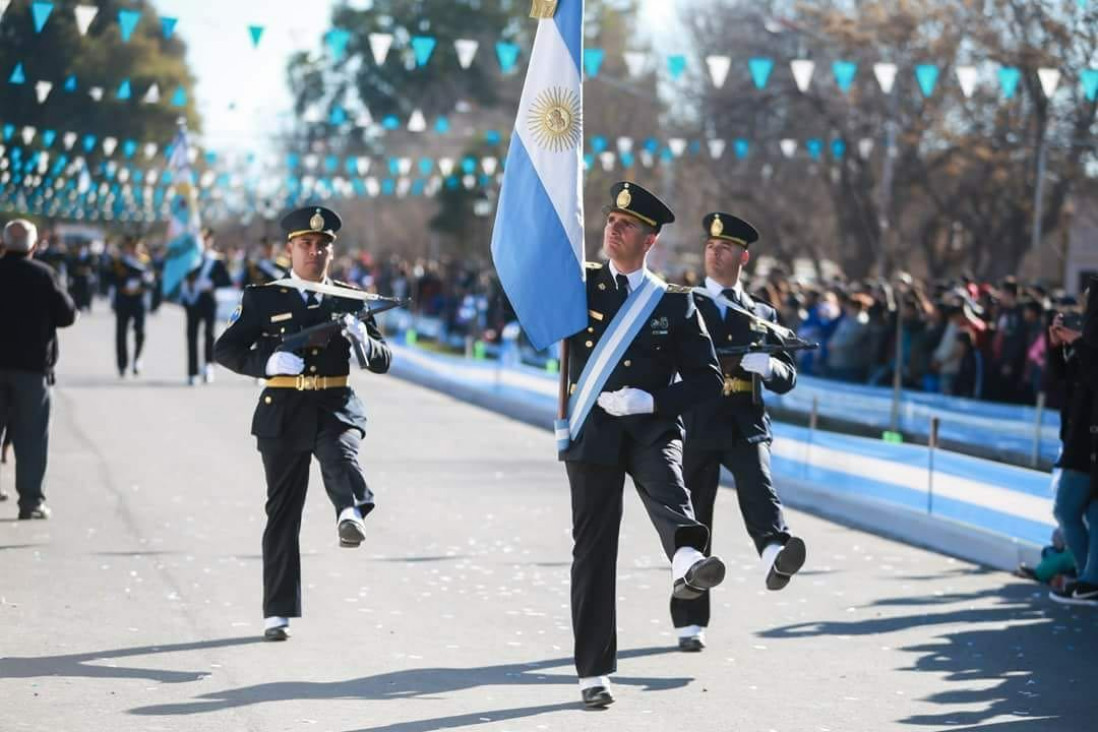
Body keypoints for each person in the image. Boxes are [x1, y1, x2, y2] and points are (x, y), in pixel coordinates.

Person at [559, 182, 726, 708]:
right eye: (611, 219)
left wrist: (652, 401)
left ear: (649, 239)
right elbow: (527, 311)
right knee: (593, 553)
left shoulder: (674, 304)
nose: (613, 228)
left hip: (651, 427)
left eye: (627, 225)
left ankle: (686, 559)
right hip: (593, 433)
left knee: (669, 488)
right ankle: (594, 672)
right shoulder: (577, 286)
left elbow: (708, 381)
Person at [214, 206, 392, 641]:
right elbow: (226, 350)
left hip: (333, 402)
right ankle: (278, 612)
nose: (314, 252)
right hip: (283, 407)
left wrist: (362, 339)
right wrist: (266, 361)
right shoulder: (264, 297)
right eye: (306, 245)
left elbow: (384, 360)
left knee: (339, 452)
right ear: (289, 249)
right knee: (282, 512)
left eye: (322, 246)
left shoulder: (350, 298)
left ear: (332, 252)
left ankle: (350, 510)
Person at [676, 212, 806, 652]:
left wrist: (768, 365)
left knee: (759, 486)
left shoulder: (762, 313)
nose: (715, 253)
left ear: (743, 257)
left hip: (745, 422)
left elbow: (789, 374)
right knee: (696, 518)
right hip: (696, 423)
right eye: (711, 246)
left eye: (725, 248)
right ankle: (690, 619)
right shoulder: (684, 304)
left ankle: (774, 552)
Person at [0, 219, 77, 519]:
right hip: (32, 369)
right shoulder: (44, 275)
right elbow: (67, 315)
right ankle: (31, 501)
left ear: (4, 244)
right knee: (31, 436)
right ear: (33, 246)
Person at [1047, 281, 1098, 606]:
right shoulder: (1087, 344)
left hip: (1087, 440)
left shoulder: (1089, 344)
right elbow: (1067, 381)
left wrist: (1079, 345)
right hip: (1080, 434)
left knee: (1067, 508)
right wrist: (1057, 347)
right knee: (1091, 512)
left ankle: (1089, 580)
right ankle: (1088, 579)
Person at [179, 233, 233, 385]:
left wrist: (212, 283)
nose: (203, 242)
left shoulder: (215, 260)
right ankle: (192, 372)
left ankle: (208, 365)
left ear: (210, 241)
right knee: (192, 336)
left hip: (208, 299)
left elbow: (226, 280)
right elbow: (182, 276)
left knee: (209, 333)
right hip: (192, 300)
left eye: (206, 239)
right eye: (200, 239)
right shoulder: (189, 259)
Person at [107, 236, 156, 377]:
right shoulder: (119, 262)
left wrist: (144, 284)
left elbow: (152, 281)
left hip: (138, 299)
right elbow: (110, 278)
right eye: (131, 247)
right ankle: (122, 364)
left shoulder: (145, 261)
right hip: (123, 299)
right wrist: (123, 286)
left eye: (137, 246)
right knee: (121, 333)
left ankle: (137, 359)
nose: (134, 249)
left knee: (140, 331)